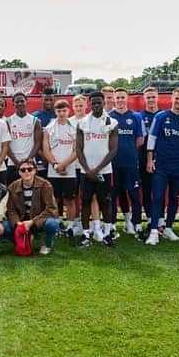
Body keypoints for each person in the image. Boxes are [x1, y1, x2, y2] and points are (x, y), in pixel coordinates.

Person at [144, 87, 179, 245]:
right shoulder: (161, 116)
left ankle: (168, 228)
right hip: (161, 164)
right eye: (177, 98)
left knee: (174, 197)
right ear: (171, 99)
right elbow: (151, 139)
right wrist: (149, 159)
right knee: (158, 196)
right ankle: (154, 231)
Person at [75, 91, 119, 247]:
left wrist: (98, 169)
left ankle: (107, 234)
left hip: (105, 171)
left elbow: (113, 150)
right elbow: (78, 149)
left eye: (99, 102)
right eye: (93, 103)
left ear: (103, 102)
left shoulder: (112, 122)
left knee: (105, 202)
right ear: (89, 104)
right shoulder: (82, 123)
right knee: (85, 201)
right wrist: (88, 169)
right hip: (85, 171)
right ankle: (86, 235)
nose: (96, 105)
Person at [109, 88, 144, 237]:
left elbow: (140, 140)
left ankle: (136, 224)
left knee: (134, 194)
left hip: (130, 163)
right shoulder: (108, 117)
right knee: (114, 195)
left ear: (127, 98)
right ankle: (112, 226)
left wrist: (127, 149)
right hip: (112, 164)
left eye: (123, 97)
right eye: (118, 98)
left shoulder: (136, 117)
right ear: (114, 100)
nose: (121, 100)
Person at [4, 159, 59, 255]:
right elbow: (10, 210)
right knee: (3, 227)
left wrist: (32, 222)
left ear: (34, 171)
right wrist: (18, 224)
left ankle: (48, 244)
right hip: (21, 220)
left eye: (29, 169)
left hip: (39, 220)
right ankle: (21, 241)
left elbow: (51, 209)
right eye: (23, 170)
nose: (26, 172)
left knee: (52, 224)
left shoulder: (46, 185)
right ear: (19, 172)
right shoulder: (12, 187)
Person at [43, 100, 78, 233]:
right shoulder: (48, 128)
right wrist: (56, 165)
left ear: (68, 111)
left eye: (64, 110)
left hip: (69, 170)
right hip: (54, 170)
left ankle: (70, 227)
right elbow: (46, 150)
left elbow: (76, 151)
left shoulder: (74, 128)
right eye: (59, 111)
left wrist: (64, 165)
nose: (62, 113)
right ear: (55, 111)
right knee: (55, 199)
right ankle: (57, 224)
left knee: (70, 199)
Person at [6, 92, 42, 185]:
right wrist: (16, 162)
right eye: (17, 102)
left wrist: (28, 160)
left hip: (30, 163)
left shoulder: (35, 121)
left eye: (22, 101)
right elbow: (6, 145)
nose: (20, 104)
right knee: (13, 194)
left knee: (31, 193)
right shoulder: (8, 121)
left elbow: (38, 143)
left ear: (26, 102)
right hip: (13, 163)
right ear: (13, 104)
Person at [138, 87, 160, 228]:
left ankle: (161, 221)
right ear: (144, 99)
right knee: (146, 191)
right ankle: (150, 220)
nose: (151, 100)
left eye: (153, 97)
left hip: (162, 158)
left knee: (159, 192)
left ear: (157, 97)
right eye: (148, 97)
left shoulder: (164, 115)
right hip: (143, 159)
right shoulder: (139, 116)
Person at [68, 94, 88, 234]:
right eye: (76, 106)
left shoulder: (91, 120)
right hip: (73, 165)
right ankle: (75, 222)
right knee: (73, 195)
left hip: (88, 165)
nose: (79, 108)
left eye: (81, 105)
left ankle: (88, 222)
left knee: (88, 195)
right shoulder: (69, 122)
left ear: (86, 105)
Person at [31, 87, 56, 178]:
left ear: (54, 100)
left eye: (50, 100)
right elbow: (33, 140)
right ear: (42, 99)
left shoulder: (59, 115)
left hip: (56, 158)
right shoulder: (35, 117)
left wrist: (51, 157)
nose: (48, 102)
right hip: (40, 158)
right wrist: (44, 156)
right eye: (46, 99)